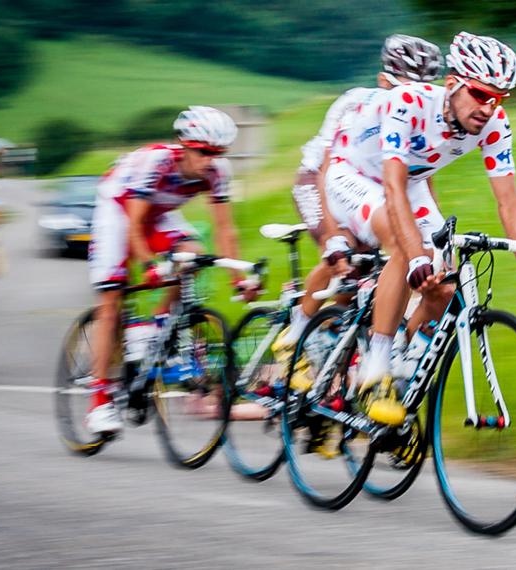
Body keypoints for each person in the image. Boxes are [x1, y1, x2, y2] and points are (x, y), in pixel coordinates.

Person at [322, 32, 516, 425]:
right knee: (408, 245)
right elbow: (393, 186)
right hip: (353, 173)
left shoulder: (494, 124)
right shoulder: (408, 103)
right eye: (481, 94)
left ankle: (406, 351)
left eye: (498, 98)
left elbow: (509, 200)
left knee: (445, 278)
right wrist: (415, 254)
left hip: (409, 183)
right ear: (452, 84)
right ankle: (375, 370)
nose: (489, 107)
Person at [83, 106, 257, 436]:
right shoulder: (156, 162)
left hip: (158, 212)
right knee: (111, 300)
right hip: (119, 210)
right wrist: (150, 265)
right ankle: (99, 402)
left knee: (192, 255)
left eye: (218, 153)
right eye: (203, 152)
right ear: (184, 145)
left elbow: (225, 229)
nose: (210, 160)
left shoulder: (218, 173)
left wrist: (238, 277)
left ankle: (157, 327)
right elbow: (134, 227)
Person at [273, 35, 445, 360]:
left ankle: (339, 332)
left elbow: (421, 176)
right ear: (384, 81)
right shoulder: (355, 104)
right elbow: (327, 167)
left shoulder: (423, 115)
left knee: (369, 269)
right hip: (320, 178)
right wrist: (331, 233)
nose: (417, 98)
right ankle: (295, 332)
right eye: (408, 88)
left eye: (426, 89)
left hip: (375, 184)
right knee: (344, 248)